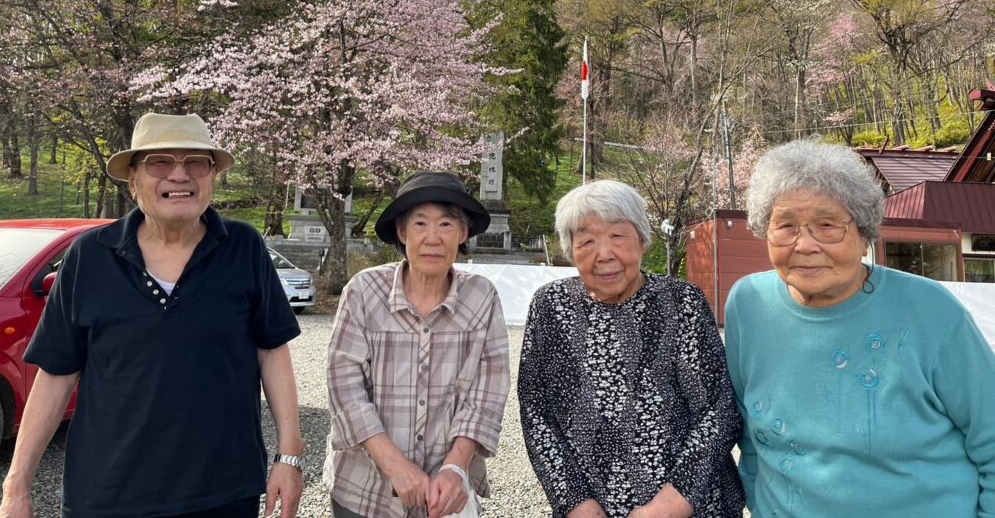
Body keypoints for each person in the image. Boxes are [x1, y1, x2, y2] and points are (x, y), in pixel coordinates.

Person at [0, 113, 304, 518]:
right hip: (107, 492)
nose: (179, 175)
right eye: (160, 162)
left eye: (196, 162)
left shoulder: (243, 247)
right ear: (133, 181)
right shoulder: (89, 256)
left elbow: (271, 350)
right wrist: (16, 484)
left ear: (212, 177)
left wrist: (291, 455)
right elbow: (56, 374)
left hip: (223, 490)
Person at [726, 138, 995, 517]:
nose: (805, 244)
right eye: (785, 226)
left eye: (827, 225)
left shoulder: (931, 312)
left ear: (864, 233)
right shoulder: (748, 304)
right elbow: (750, 436)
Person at [519, 180, 744, 518]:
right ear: (570, 248)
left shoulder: (681, 302)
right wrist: (573, 501)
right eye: (587, 240)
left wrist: (676, 500)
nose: (604, 253)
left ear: (641, 240)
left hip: (690, 506)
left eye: (617, 236)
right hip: (591, 508)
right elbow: (536, 411)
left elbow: (719, 408)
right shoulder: (550, 306)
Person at [324, 171, 510, 518]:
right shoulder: (364, 292)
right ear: (401, 231)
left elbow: (488, 392)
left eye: (445, 225)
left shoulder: (481, 297)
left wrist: (456, 468)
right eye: (420, 224)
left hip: (446, 495)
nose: (433, 238)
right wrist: (396, 466)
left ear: (463, 233)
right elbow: (344, 386)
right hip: (365, 491)